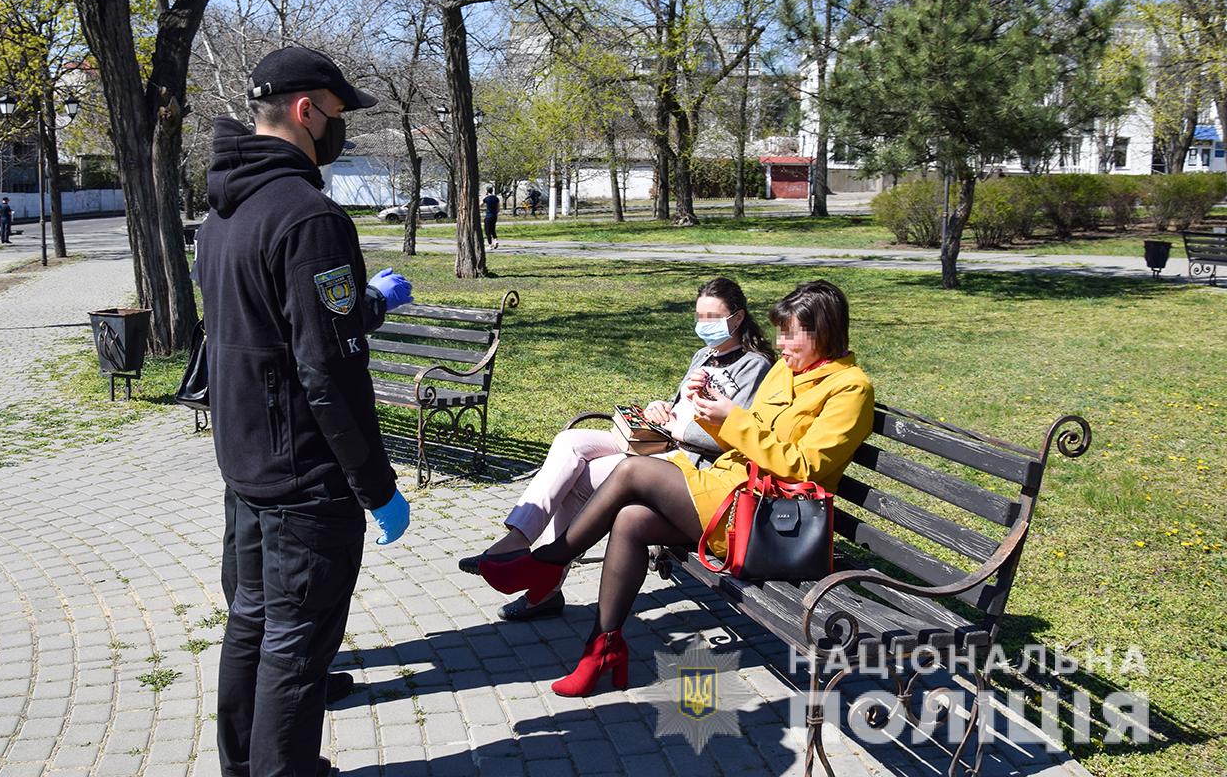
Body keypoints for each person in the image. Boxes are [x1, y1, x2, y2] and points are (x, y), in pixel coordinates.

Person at [477, 280, 874, 697]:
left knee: (636, 473)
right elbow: (749, 434)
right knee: (631, 520)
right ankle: (601, 649)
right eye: (780, 331)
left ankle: (547, 561)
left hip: (768, 519)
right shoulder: (784, 371)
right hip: (729, 491)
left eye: (791, 334)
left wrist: (731, 419)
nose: (781, 343)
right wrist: (703, 410)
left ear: (823, 332)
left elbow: (806, 467)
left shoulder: (850, 388)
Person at [195, 45, 416, 777]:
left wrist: (370, 302)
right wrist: (376, 487)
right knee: (295, 646)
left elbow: (284, 329)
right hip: (304, 481)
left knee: (254, 626)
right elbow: (328, 370)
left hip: (249, 463)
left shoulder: (224, 210)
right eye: (338, 113)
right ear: (305, 110)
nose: (341, 129)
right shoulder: (309, 217)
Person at [459, 277, 774, 621]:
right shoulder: (704, 354)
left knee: (581, 480)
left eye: (713, 317)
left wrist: (677, 426)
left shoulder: (754, 365)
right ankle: (519, 539)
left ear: (738, 317)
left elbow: (734, 436)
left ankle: (545, 587)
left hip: (687, 462)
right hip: (655, 439)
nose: (704, 325)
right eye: (700, 317)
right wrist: (660, 406)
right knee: (569, 443)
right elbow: (679, 402)